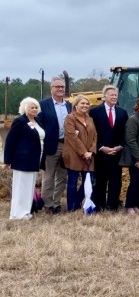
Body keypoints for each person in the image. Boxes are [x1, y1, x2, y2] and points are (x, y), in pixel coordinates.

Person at [4, 97, 45, 220]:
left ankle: (26, 211)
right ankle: (16, 214)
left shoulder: (37, 121)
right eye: (31, 107)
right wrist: (7, 160)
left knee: (29, 186)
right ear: (25, 108)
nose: (34, 109)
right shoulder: (20, 121)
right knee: (20, 186)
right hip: (22, 159)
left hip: (35, 159)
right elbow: (10, 140)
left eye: (36, 107)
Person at [89, 85, 128, 211]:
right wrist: (101, 147)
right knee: (100, 180)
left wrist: (120, 146)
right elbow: (92, 133)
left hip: (116, 153)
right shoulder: (94, 112)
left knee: (115, 181)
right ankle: (99, 205)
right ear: (104, 96)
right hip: (101, 153)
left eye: (116, 95)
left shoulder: (122, 113)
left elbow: (125, 133)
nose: (114, 97)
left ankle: (112, 205)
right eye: (111, 95)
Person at [38, 76, 72, 214]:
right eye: (57, 86)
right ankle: (47, 204)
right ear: (51, 89)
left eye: (62, 87)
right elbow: (38, 124)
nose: (60, 89)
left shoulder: (69, 105)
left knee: (62, 177)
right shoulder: (43, 104)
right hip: (51, 145)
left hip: (67, 145)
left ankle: (57, 203)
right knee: (49, 177)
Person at [62, 95, 97, 212]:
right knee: (73, 182)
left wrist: (91, 151)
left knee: (90, 181)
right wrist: (84, 152)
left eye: (87, 104)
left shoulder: (90, 119)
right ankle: (72, 207)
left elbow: (95, 136)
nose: (85, 106)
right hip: (74, 155)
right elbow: (72, 137)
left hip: (89, 156)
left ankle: (77, 202)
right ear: (76, 105)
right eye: (82, 103)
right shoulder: (70, 118)